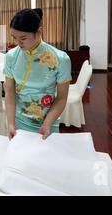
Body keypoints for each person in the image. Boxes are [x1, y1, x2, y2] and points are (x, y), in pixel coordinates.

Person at [4, 8, 71, 140]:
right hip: (19, 122)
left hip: (47, 123)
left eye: (23, 38)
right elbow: (10, 92)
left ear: (39, 31)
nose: (18, 43)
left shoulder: (60, 59)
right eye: (14, 38)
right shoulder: (11, 56)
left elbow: (62, 98)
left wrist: (47, 124)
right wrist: (10, 123)